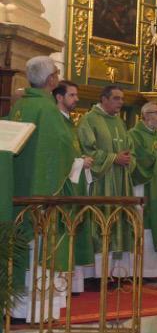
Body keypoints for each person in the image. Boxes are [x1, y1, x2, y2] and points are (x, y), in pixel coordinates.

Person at [8, 58, 89, 320]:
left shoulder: (20, 106)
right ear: (51, 80)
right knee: (41, 247)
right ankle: (37, 311)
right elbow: (63, 150)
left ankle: (15, 308)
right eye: (56, 72)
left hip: (17, 194)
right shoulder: (48, 110)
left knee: (21, 248)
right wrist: (78, 164)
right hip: (44, 196)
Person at [77, 85, 136, 279]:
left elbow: (129, 148)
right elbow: (87, 149)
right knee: (100, 223)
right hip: (100, 182)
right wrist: (113, 158)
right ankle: (95, 275)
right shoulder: (89, 120)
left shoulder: (119, 122)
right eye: (116, 98)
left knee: (118, 224)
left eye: (122, 99)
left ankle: (115, 273)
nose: (121, 102)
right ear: (103, 99)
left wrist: (128, 159)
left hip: (120, 181)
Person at [52, 81, 95, 293]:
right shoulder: (55, 121)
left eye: (76, 95)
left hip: (74, 185)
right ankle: (62, 286)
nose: (77, 99)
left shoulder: (70, 123)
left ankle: (73, 285)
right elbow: (56, 156)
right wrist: (79, 162)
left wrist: (81, 160)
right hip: (62, 187)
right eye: (72, 95)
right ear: (59, 97)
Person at [127, 102, 157, 280]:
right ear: (145, 115)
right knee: (144, 226)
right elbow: (138, 160)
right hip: (143, 187)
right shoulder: (134, 135)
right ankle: (140, 271)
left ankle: (156, 272)